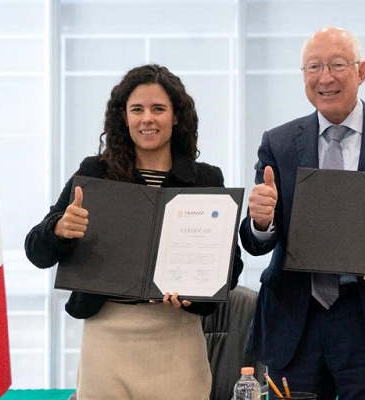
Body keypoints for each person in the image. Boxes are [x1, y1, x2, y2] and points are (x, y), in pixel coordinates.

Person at [24, 64, 243, 400]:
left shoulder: (205, 179)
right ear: (123, 118)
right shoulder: (95, 173)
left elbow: (231, 268)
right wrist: (59, 229)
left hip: (176, 339)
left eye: (158, 109)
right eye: (137, 109)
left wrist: (196, 290)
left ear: (176, 117)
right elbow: (36, 251)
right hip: (106, 340)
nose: (147, 119)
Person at [239, 27, 365, 399]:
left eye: (337, 65)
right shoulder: (278, 143)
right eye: (313, 67)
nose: (325, 77)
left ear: (361, 71)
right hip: (296, 323)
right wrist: (261, 221)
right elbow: (258, 241)